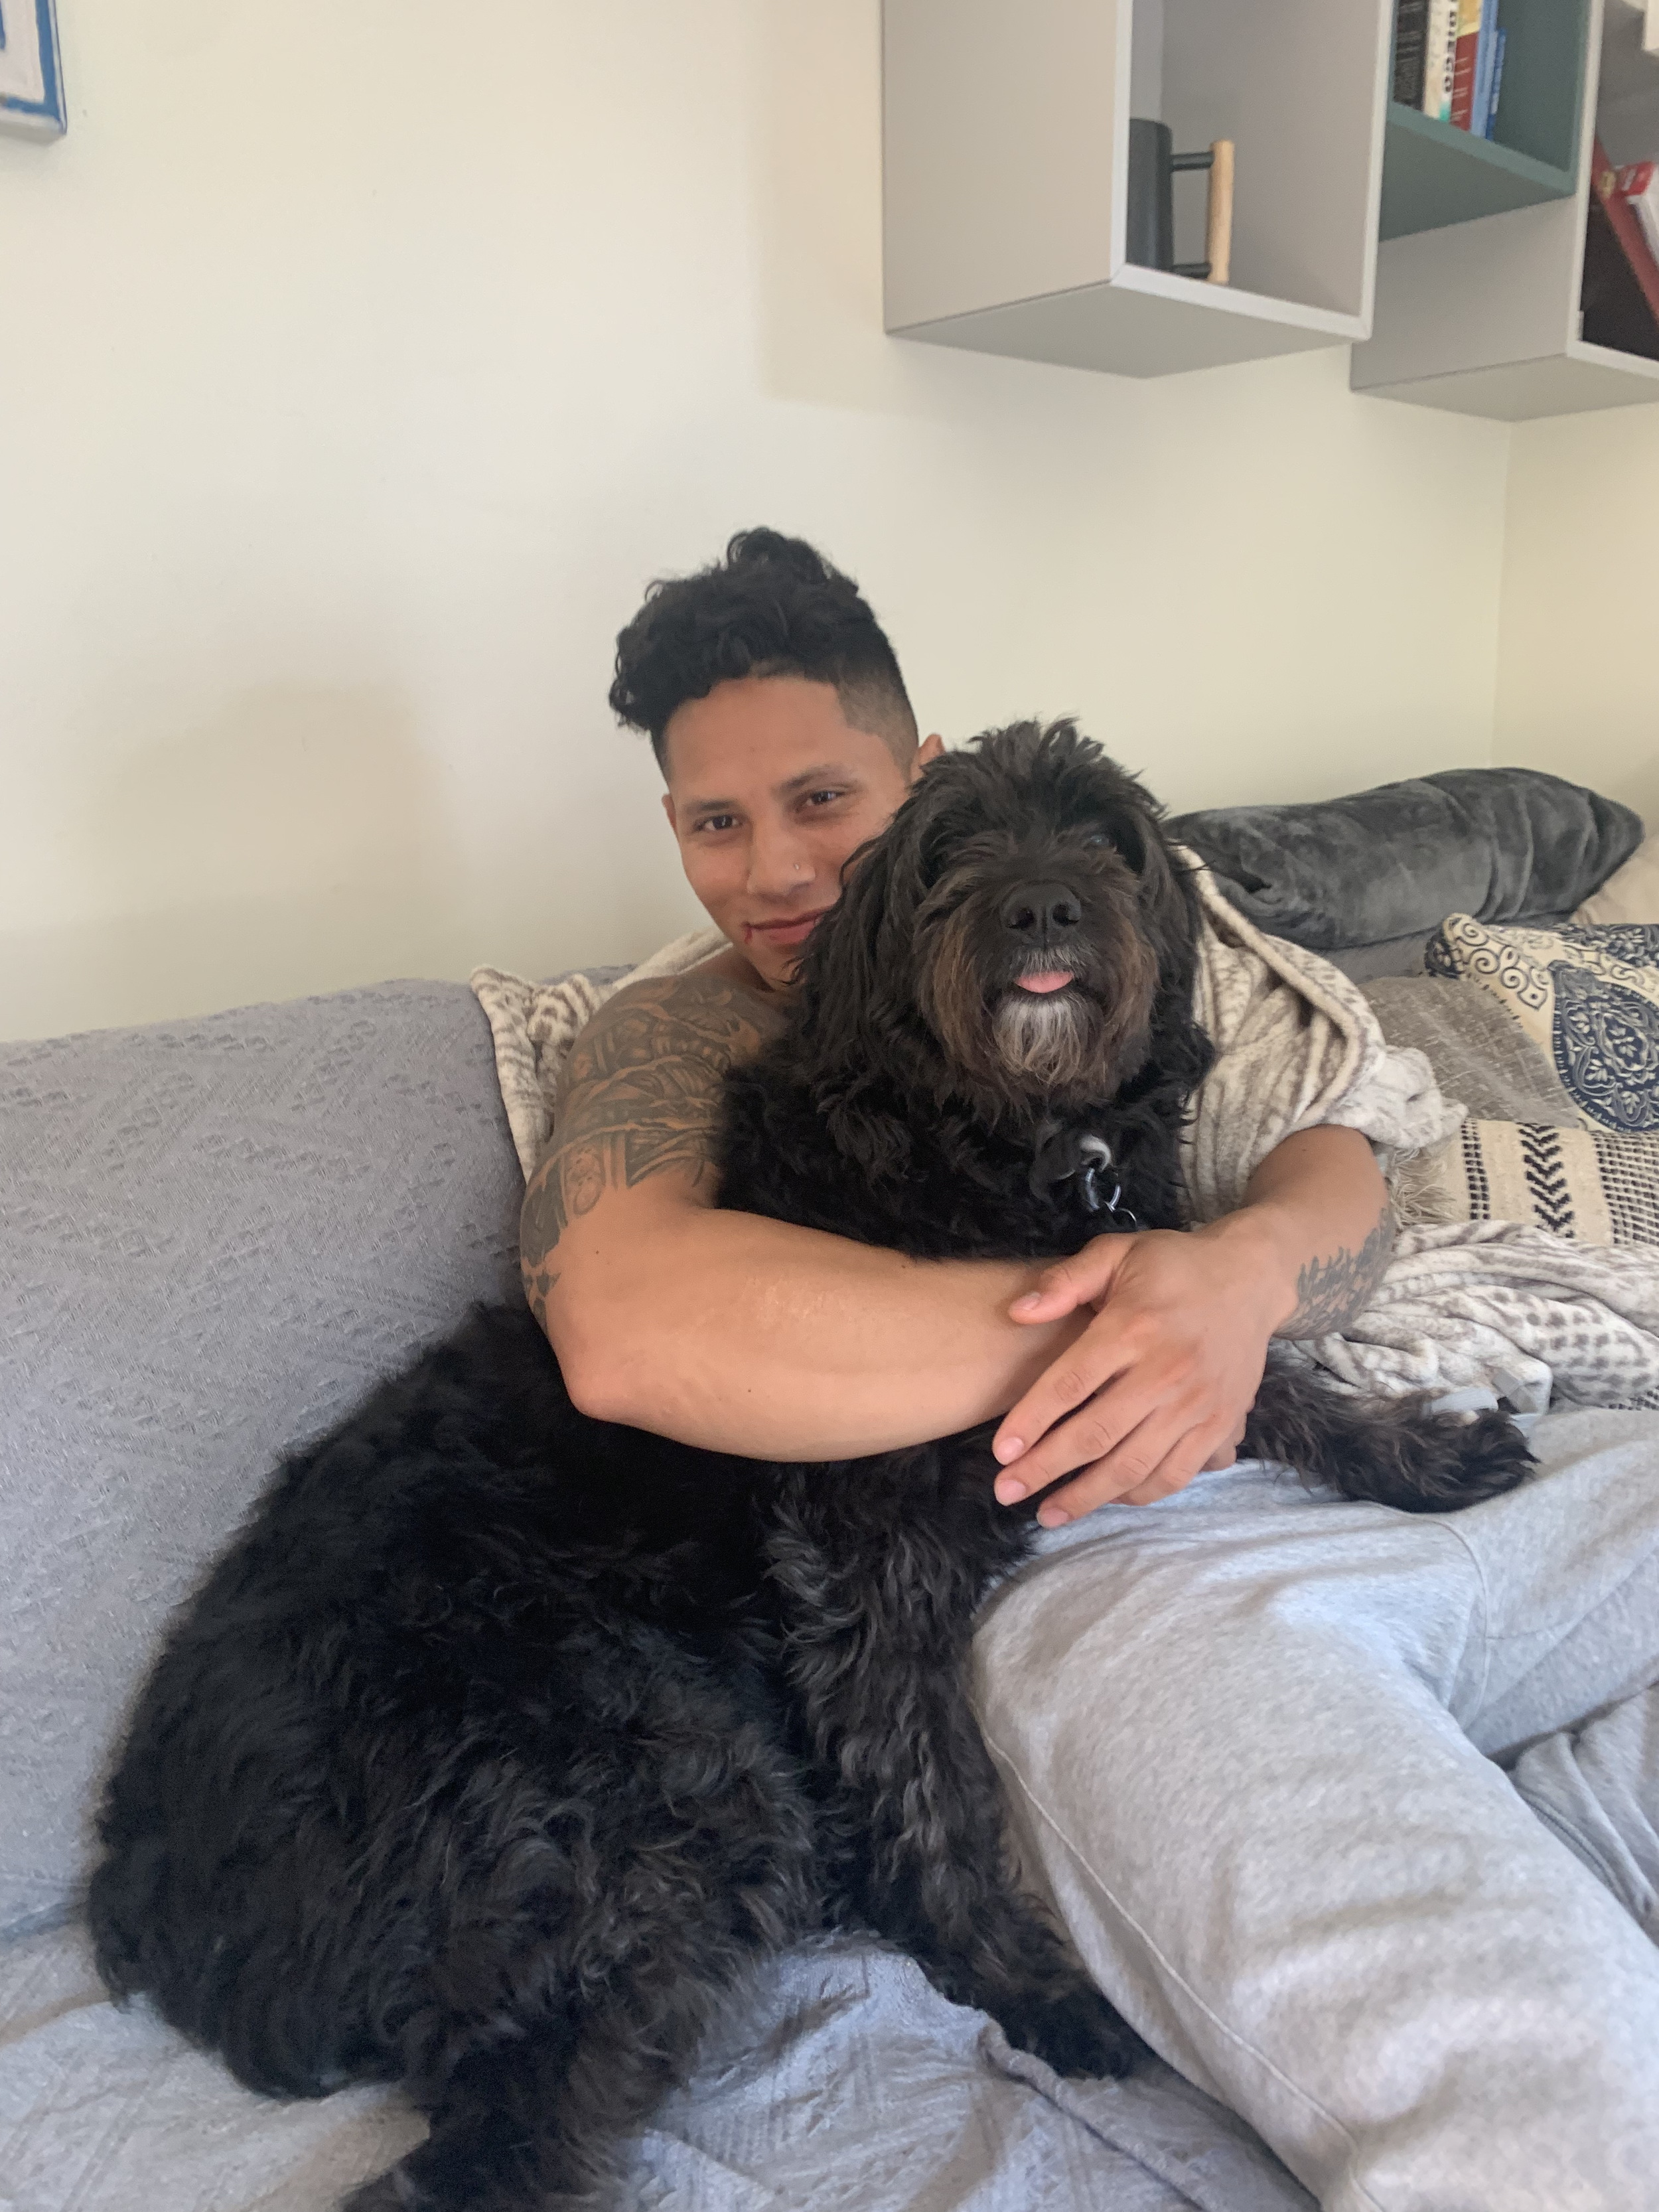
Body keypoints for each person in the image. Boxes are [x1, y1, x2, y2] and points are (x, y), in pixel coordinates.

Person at [523, 529, 1659, 2210]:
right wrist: (1120, 1322)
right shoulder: (670, 1039)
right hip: (1099, 1566)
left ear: (914, 779)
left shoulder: (1141, 915)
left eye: (821, 802)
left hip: (1373, 1472)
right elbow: (623, 1327)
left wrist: (1234, 1275)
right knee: (1521, 2043)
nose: (773, 873)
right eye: (714, 821)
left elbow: (1348, 1160)